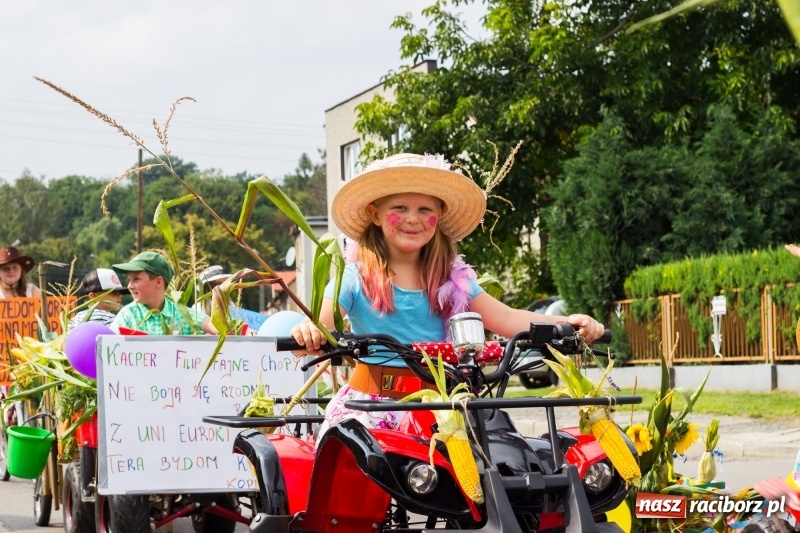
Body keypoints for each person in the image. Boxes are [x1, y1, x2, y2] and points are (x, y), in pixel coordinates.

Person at [290, 152, 605, 439]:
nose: (413, 218)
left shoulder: (452, 278)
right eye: (399, 208)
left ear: (438, 216)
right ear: (374, 213)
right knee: (353, 469)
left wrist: (566, 324)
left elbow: (507, 318)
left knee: (495, 464)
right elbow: (321, 319)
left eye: (424, 209)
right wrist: (309, 330)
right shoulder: (355, 278)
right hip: (371, 408)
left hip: (442, 408)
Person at [109, 251, 217, 335]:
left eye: (136, 279)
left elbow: (215, 327)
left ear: (159, 282)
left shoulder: (181, 314)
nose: (129, 286)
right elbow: (108, 347)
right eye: (129, 279)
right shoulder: (127, 315)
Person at [194, 265, 267, 332]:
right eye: (217, 284)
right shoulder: (198, 309)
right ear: (207, 288)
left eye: (225, 283)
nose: (223, 286)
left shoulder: (231, 307)